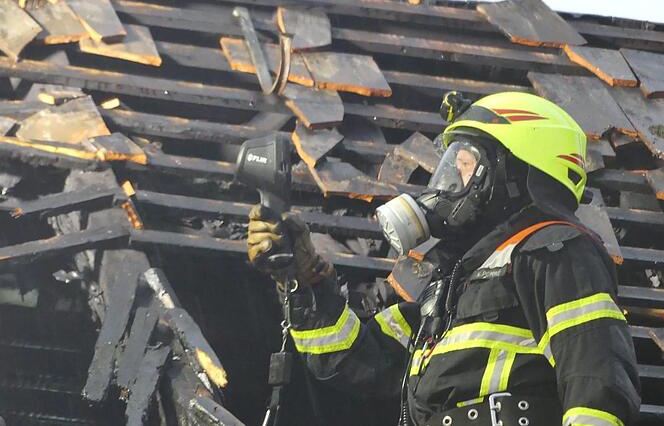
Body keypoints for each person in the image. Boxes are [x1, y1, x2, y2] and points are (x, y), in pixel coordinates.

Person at [247, 92, 641, 426]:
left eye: (466, 165)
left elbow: (595, 373)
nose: (449, 181)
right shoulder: (450, 287)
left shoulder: (554, 249)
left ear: (512, 172)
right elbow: (354, 360)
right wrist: (305, 277)